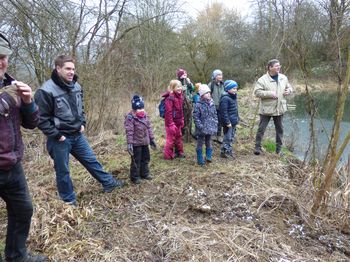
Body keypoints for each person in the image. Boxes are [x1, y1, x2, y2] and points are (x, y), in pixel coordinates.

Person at [34, 55, 124, 206]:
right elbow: (40, 119)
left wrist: (82, 122)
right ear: (58, 69)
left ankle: (109, 183)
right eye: (67, 68)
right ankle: (69, 200)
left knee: (91, 160)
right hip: (59, 139)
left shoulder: (76, 86)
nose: (71, 72)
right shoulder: (45, 91)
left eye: (73, 69)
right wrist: (57, 135)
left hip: (77, 134)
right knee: (63, 171)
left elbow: (81, 108)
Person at [0, 33, 47, 262]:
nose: (1, 62)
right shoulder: (8, 93)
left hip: (13, 165)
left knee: (23, 210)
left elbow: (32, 124)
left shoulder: (11, 85)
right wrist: (6, 99)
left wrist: (28, 102)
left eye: (4, 57)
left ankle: (17, 256)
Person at [253, 59, 293, 155]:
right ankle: (257, 148)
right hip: (266, 109)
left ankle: (278, 150)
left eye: (279, 65)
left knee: (280, 130)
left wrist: (289, 91)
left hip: (280, 108)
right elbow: (257, 92)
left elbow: (289, 87)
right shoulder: (262, 80)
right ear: (270, 67)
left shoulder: (283, 78)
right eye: (276, 66)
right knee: (261, 129)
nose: (278, 67)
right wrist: (269, 93)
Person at [124, 95, 157, 184]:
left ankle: (144, 173)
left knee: (145, 158)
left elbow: (149, 127)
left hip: (145, 142)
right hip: (136, 144)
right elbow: (129, 131)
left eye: (142, 108)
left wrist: (152, 139)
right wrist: (130, 143)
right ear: (134, 109)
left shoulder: (145, 116)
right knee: (136, 160)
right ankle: (135, 177)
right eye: (138, 109)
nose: (141, 110)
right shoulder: (130, 118)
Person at [193, 84, 218, 165]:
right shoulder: (198, 105)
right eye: (206, 93)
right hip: (202, 128)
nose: (209, 94)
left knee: (208, 141)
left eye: (209, 93)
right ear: (202, 95)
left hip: (210, 127)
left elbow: (214, 114)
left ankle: (208, 156)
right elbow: (196, 117)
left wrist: (215, 122)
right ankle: (200, 159)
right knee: (200, 143)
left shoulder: (212, 103)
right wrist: (200, 126)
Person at [162, 79, 184, 159]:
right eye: (177, 87)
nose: (179, 88)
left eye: (180, 87)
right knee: (170, 139)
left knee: (179, 137)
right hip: (170, 123)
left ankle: (180, 152)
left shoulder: (180, 97)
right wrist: (171, 124)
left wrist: (182, 119)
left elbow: (181, 110)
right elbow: (168, 112)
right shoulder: (170, 98)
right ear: (172, 88)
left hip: (178, 121)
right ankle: (168, 155)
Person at [219, 80, 239, 158]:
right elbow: (223, 112)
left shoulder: (233, 97)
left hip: (233, 121)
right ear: (228, 89)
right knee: (227, 137)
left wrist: (237, 119)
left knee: (231, 137)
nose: (235, 90)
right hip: (228, 123)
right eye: (233, 88)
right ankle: (224, 152)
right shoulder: (225, 98)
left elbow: (235, 110)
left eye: (236, 88)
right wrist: (227, 122)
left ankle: (229, 151)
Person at [177, 68, 194, 142]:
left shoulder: (187, 81)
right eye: (183, 74)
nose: (185, 75)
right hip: (181, 102)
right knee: (182, 118)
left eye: (186, 74)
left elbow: (192, 89)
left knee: (189, 117)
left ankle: (189, 133)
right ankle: (182, 132)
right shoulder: (177, 82)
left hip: (189, 101)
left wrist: (189, 83)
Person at [208, 69, 224, 140]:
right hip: (213, 106)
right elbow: (207, 95)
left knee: (220, 120)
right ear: (214, 76)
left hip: (221, 106)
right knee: (213, 120)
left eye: (221, 74)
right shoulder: (211, 85)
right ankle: (213, 134)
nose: (220, 76)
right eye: (218, 75)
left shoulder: (223, 85)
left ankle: (219, 135)